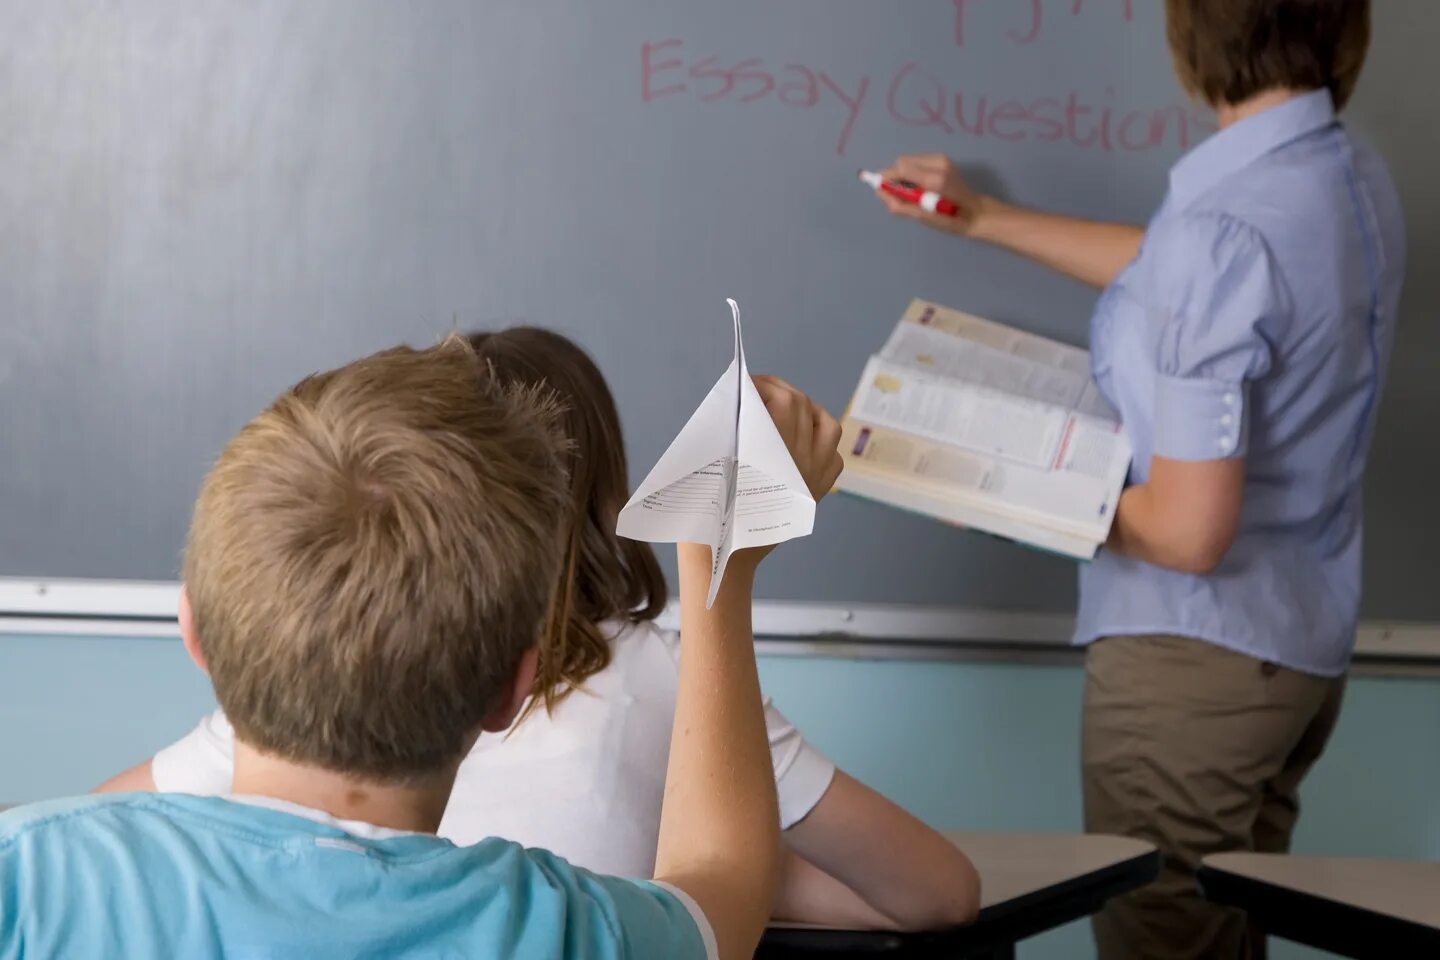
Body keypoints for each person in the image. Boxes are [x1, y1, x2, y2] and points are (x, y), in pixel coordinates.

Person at [94, 327, 981, 931]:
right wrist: (718, 562)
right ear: (509, 690)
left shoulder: (78, 865)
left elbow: (93, 822)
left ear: (202, 637)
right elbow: (923, 895)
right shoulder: (557, 920)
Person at [869, 2, 1403, 957]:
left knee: (1167, 943)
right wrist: (985, 217)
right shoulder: (1346, 178)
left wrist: (1008, 483)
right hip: (1295, 660)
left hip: (1188, 673)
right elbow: (1188, 279)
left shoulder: (1225, 230)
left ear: (1190, 42)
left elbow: (1189, 531)